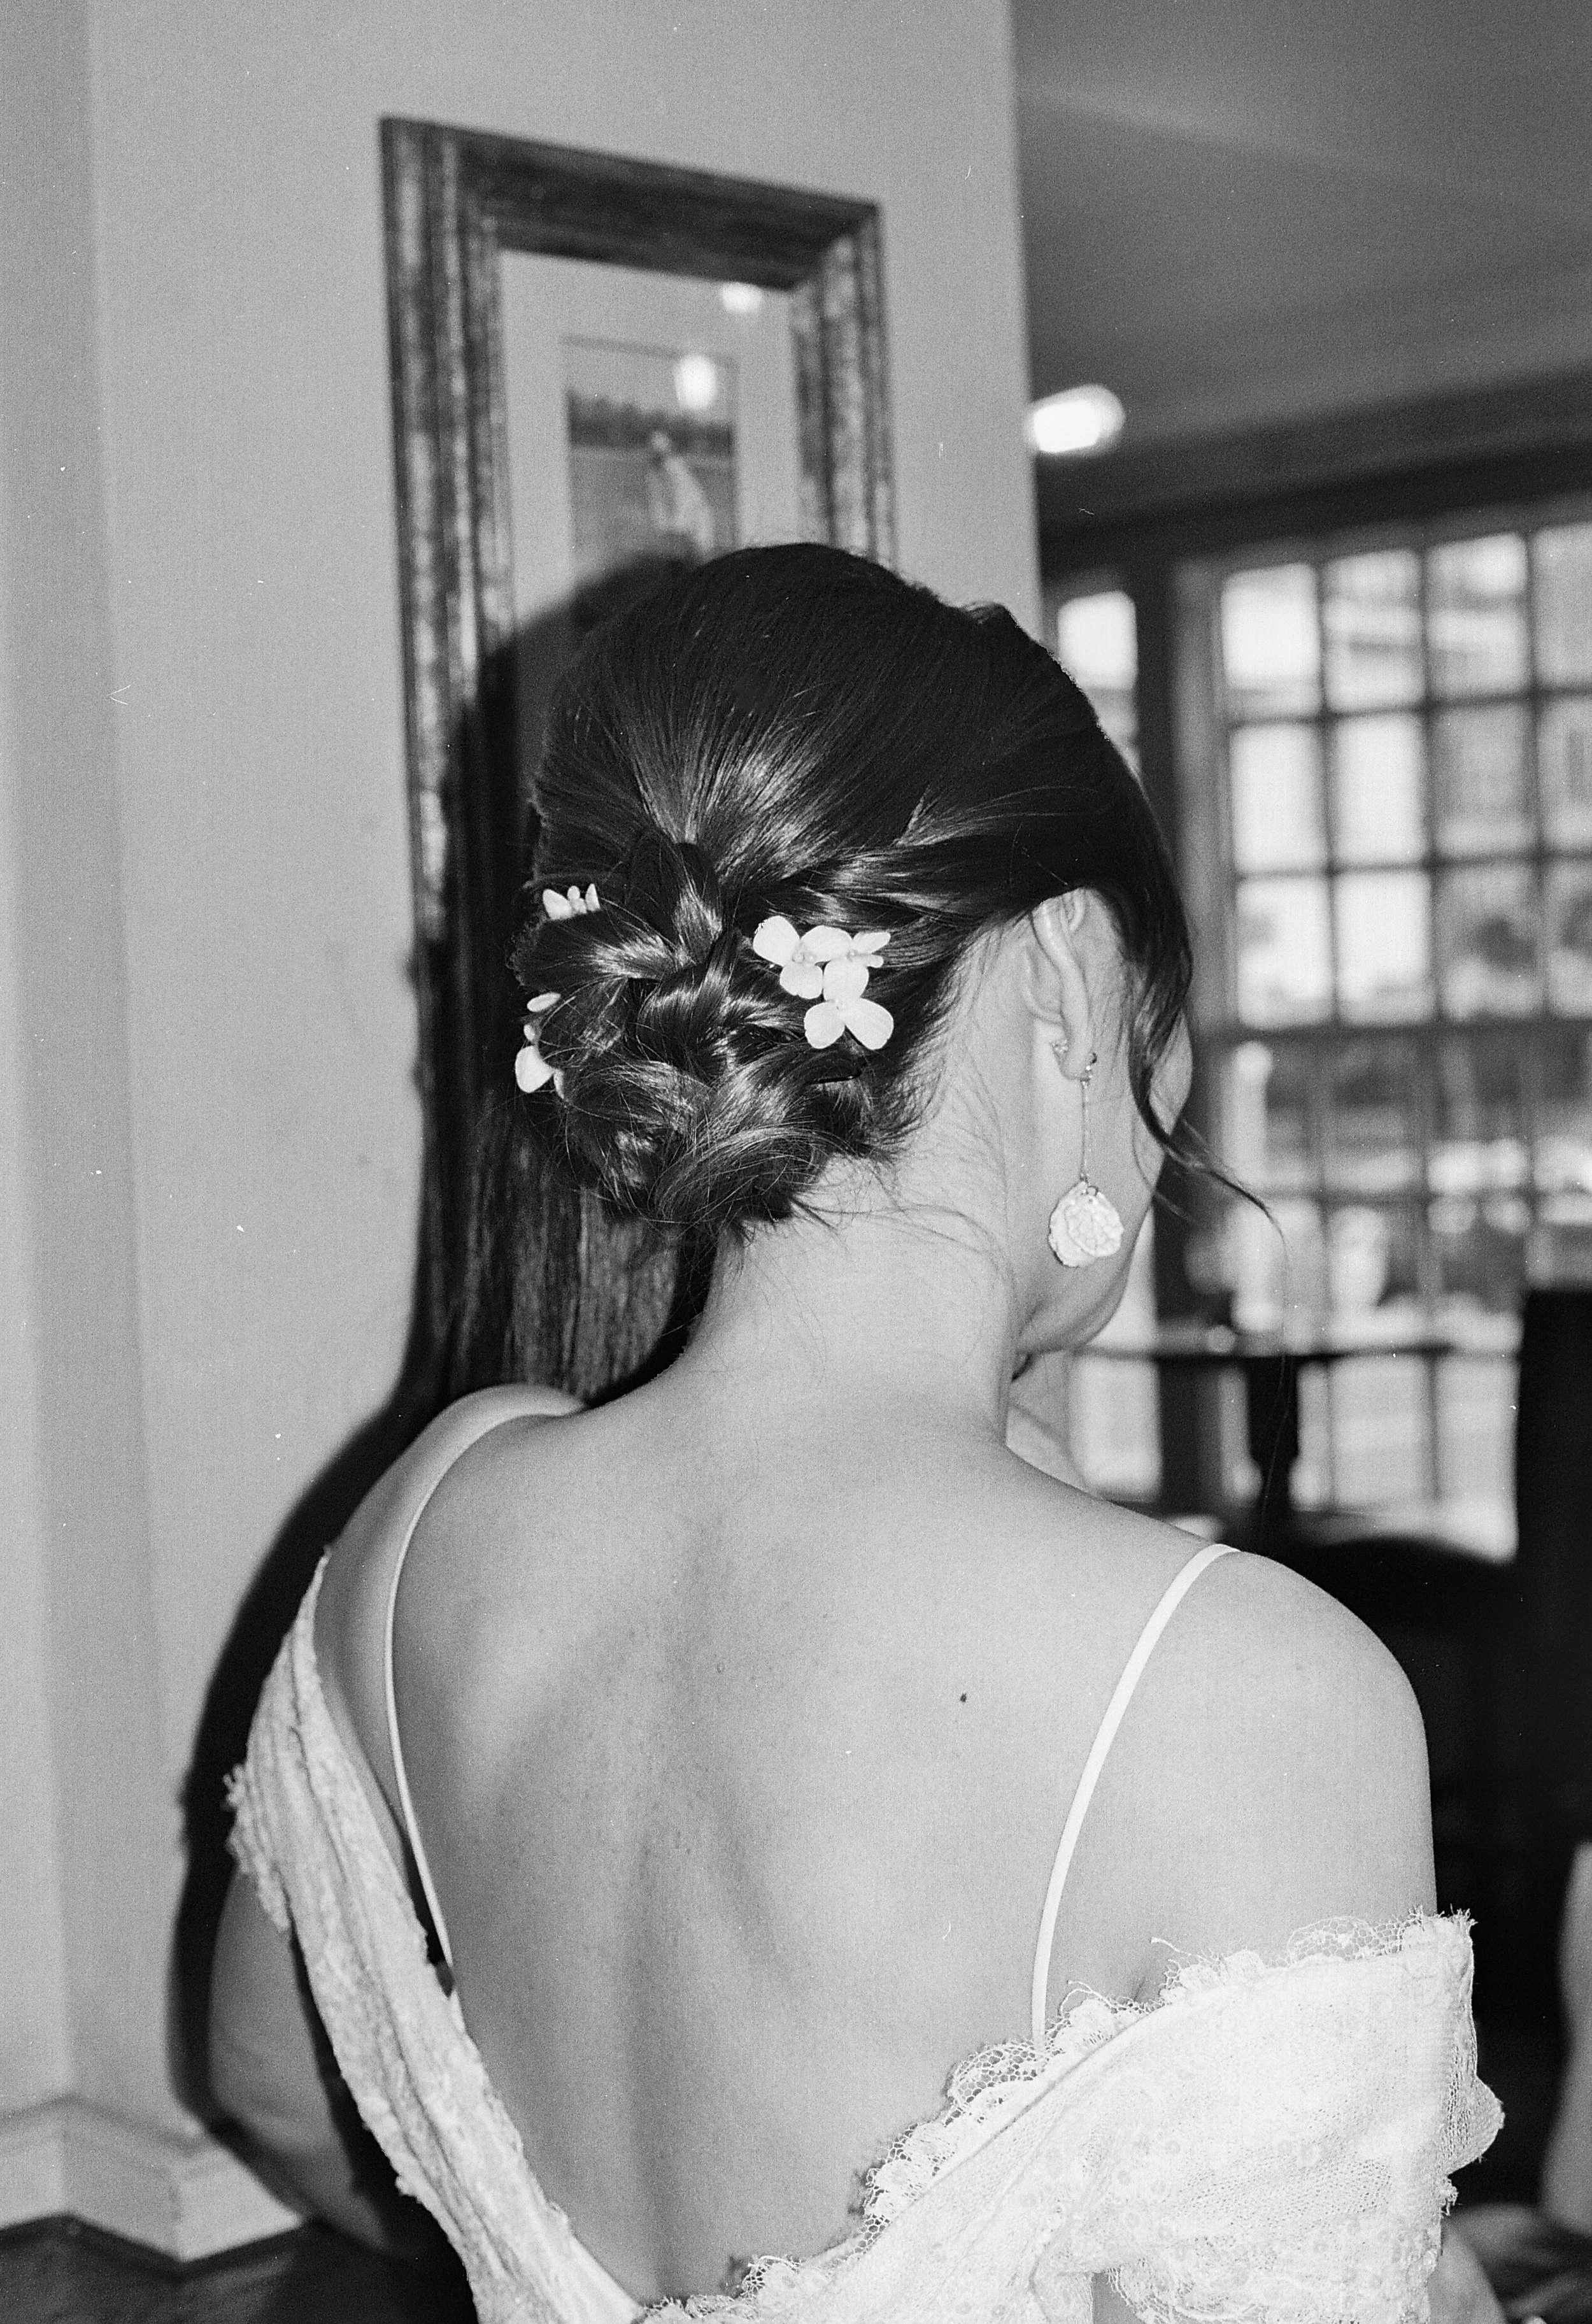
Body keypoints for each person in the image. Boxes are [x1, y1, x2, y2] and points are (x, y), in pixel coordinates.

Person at [211, 545, 1499, 2321]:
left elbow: (277, 2090)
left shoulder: (431, 1521)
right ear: (1065, 973)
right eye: (1163, 1050)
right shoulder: (1241, 1690)